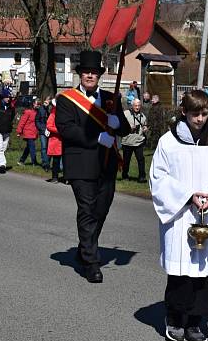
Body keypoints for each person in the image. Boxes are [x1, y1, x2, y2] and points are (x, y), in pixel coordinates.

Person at [150, 89, 208, 341]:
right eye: (195, 114)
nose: (200, 119)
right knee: (180, 272)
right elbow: (159, 178)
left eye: (204, 113)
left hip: (207, 215)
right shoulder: (168, 142)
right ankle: (175, 318)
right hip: (180, 216)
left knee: (204, 273)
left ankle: (195, 322)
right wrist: (188, 195)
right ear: (184, 112)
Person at [55, 50, 131, 283]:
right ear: (80, 74)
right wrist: (97, 137)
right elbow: (67, 129)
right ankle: (91, 261)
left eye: (94, 72)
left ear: (99, 75)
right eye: (86, 72)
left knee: (101, 210)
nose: (90, 75)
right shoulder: (66, 99)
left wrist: (118, 123)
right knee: (87, 210)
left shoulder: (111, 98)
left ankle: (84, 247)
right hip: (80, 164)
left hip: (106, 165)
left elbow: (125, 129)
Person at [122, 99, 148, 182]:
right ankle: (125, 175)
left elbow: (144, 125)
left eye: (139, 105)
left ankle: (142, 177)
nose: (137, 107)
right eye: (135, 105)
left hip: (139, 141)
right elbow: (120, 124)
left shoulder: (143, 116)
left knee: (141, 160)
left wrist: (145, 128)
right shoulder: (125, 113)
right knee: (126, 160)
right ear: (132, 105)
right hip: (127, 141)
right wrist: (128, 127)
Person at [45, 96, 64, 183]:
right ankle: (55, 177)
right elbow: (49, 126)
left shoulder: (67, 114)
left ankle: (66, 177)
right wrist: (59, 131)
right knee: (56, 160)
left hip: (65, 140)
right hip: (56, 140)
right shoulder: (53, 114)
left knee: (66, 160)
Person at [16, 97, 40, 166]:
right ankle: (34, 162)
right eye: (37, 104)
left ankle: (21, 161)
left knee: (28, 148)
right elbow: (22, 122)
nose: (38, 105)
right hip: (28, 132)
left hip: (34, 133)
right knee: (32, 147)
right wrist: (19, 131)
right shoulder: (28, 112)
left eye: (39, 104)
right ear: (33, 104)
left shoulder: (38, 112)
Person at [36, 96, 51, 171]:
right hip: (42, 131)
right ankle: (45, 163)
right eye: (46, 101)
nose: (47, 103)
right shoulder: (40, 109)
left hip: (50, 131)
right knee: (44, 147)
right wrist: (41, 128)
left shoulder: (51, 109)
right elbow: (37, 120)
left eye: (48, 101)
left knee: (49, 148)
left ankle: (47, 162)